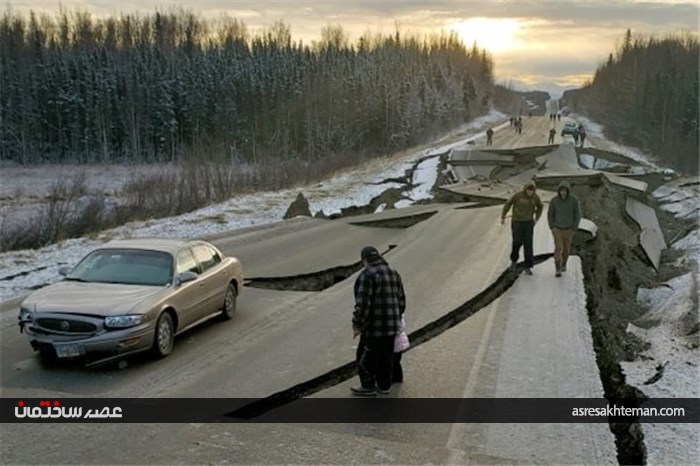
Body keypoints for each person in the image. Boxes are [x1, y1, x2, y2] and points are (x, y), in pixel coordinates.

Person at [352, 246, 406, 396]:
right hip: (391, 327)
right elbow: (401, 300)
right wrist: (396, 318)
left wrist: (357, 325)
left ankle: (368, 386)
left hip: (373, 328)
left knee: (364, 357)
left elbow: (362, 304)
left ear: (364, 260)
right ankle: (384, 386)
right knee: (386, 357)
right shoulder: (393, 273)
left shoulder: (367, 275)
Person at [501, 180, 543, 275]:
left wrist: (537, 217)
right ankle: (514, 261)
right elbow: (508, 204)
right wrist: (503, 215)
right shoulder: (518, 196)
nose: (530, 192)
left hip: (528, 223)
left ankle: (528, 266)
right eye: (528, 190)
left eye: (532, 190)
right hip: (517, 222)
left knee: (528, 245)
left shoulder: (535, 197)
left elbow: (540, 206)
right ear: (525, 189)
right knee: (517, 242)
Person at [548, 181, 581, 277]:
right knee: (558, 248)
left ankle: (564, 263)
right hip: (557, 228)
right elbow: (550, 214)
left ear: (568, 191)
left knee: (566, 249)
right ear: (559, 191)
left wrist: (574, 228)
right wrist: (552, 227)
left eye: (565, 191)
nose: (563, 193)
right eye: (561, 191)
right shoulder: (554, 201)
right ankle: (557, 267)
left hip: (569, 229)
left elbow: (577, 214)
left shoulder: (574, 200)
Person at [393, 316, 410, 383]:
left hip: (396, 342)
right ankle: (397, 378)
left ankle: (396, 378)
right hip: (399, 342)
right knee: (396, 362)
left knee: (393, 362)